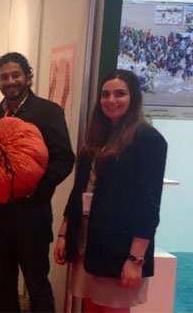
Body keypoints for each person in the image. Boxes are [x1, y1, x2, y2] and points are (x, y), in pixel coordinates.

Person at [54, 69, 167, 312]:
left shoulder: (147, 139)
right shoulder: (97, 136)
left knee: (112, 308)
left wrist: (135, 259)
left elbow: (148, 204)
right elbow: (78, 190)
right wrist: (64, 234)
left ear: (133, 97)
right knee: (90, 305)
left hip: (120, 246)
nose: (111, 100)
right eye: (105, 94)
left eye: (120, 94)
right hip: (88, 240)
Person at [0, 52, 75, 312]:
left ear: (28, 78)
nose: (10, 81)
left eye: (16, 75)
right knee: (1, 286)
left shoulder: (48, 111)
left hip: (32, 215)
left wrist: (36, 187)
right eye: (4, 77)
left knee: (37, 286)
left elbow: (65, 158)